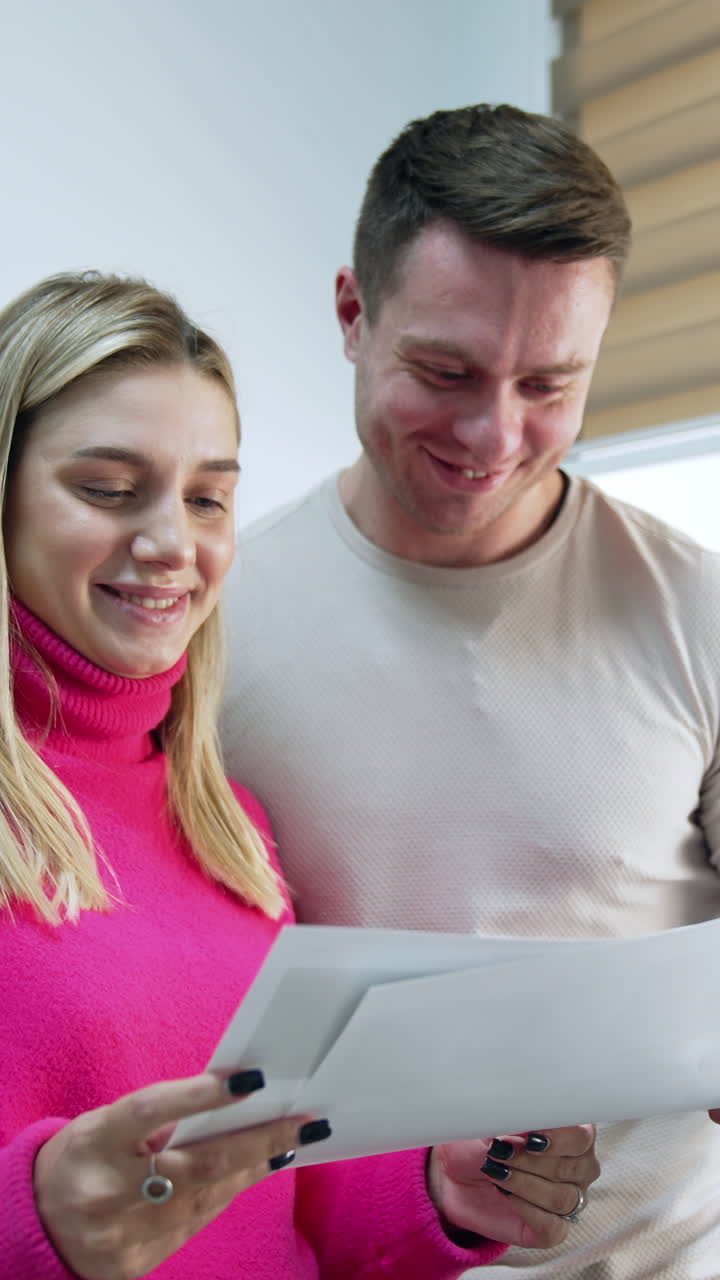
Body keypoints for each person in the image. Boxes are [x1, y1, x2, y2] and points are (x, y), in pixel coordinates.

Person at [0, 271, 599, 1280]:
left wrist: (442, 1189)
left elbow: (293, 1193)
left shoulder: (229, 825)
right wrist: (32, 1221)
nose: (169, 544)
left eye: (208, 498)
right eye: (106, 488)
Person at [220, 102, 720, 1280]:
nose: (495, 433)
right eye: (447, 371)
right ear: (353, 313)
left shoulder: (697, 608)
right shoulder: (209, 626)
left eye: (550, 383)